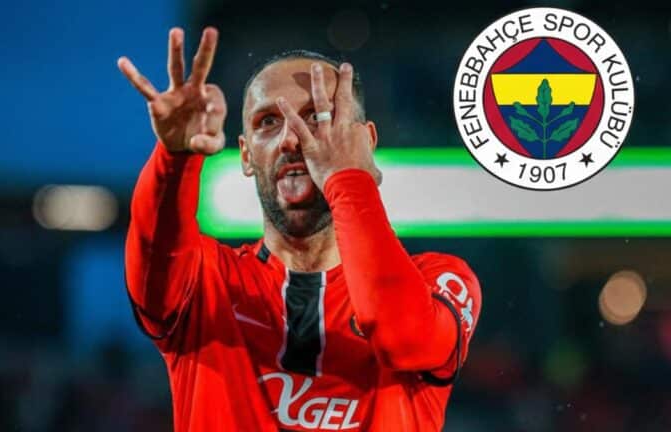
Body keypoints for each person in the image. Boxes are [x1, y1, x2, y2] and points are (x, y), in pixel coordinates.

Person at [118, 26, 482, 432]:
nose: (293, 138)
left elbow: (403, 339)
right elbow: (156, 248)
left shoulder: (440, 280)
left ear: (365, 141)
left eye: (318, 117)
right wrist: (175, 156)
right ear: (245, 155)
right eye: (269, 121)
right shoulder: (207, 283)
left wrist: (347, 178)